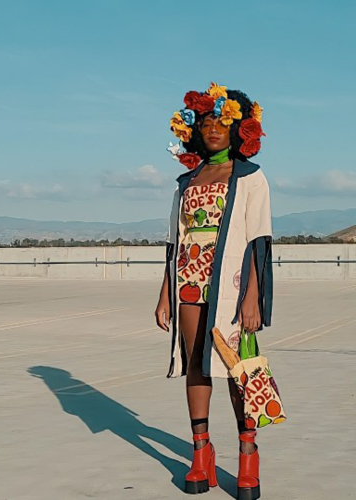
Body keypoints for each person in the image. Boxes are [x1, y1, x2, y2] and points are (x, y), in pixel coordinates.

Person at [155, 83, 273, 499]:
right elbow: (176, 239)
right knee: (196, 364)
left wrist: (253, 296)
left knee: (236, 369)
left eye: (221, 122)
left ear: (237, 127)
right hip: (189, 279)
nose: (213, 129)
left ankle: (247, 455)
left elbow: (258, 240)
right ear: (196, 132)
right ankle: (201, 453)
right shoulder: (185, 180)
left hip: (233, 286)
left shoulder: (251, 179)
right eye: (205, 123)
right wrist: (166, 291)